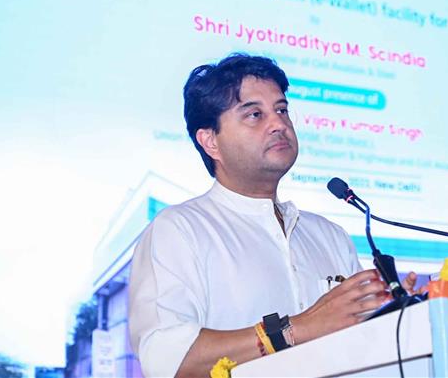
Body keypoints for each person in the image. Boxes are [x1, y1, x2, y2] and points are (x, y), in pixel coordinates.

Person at [128, 53, 416, 378]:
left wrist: (398, 313)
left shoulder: (329, 235)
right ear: (210, 141)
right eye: (254, 114)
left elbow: (362, 347)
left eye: (281, 110)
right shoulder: (178, 230)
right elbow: (169, 360)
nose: (279, 123)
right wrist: (295, 329)